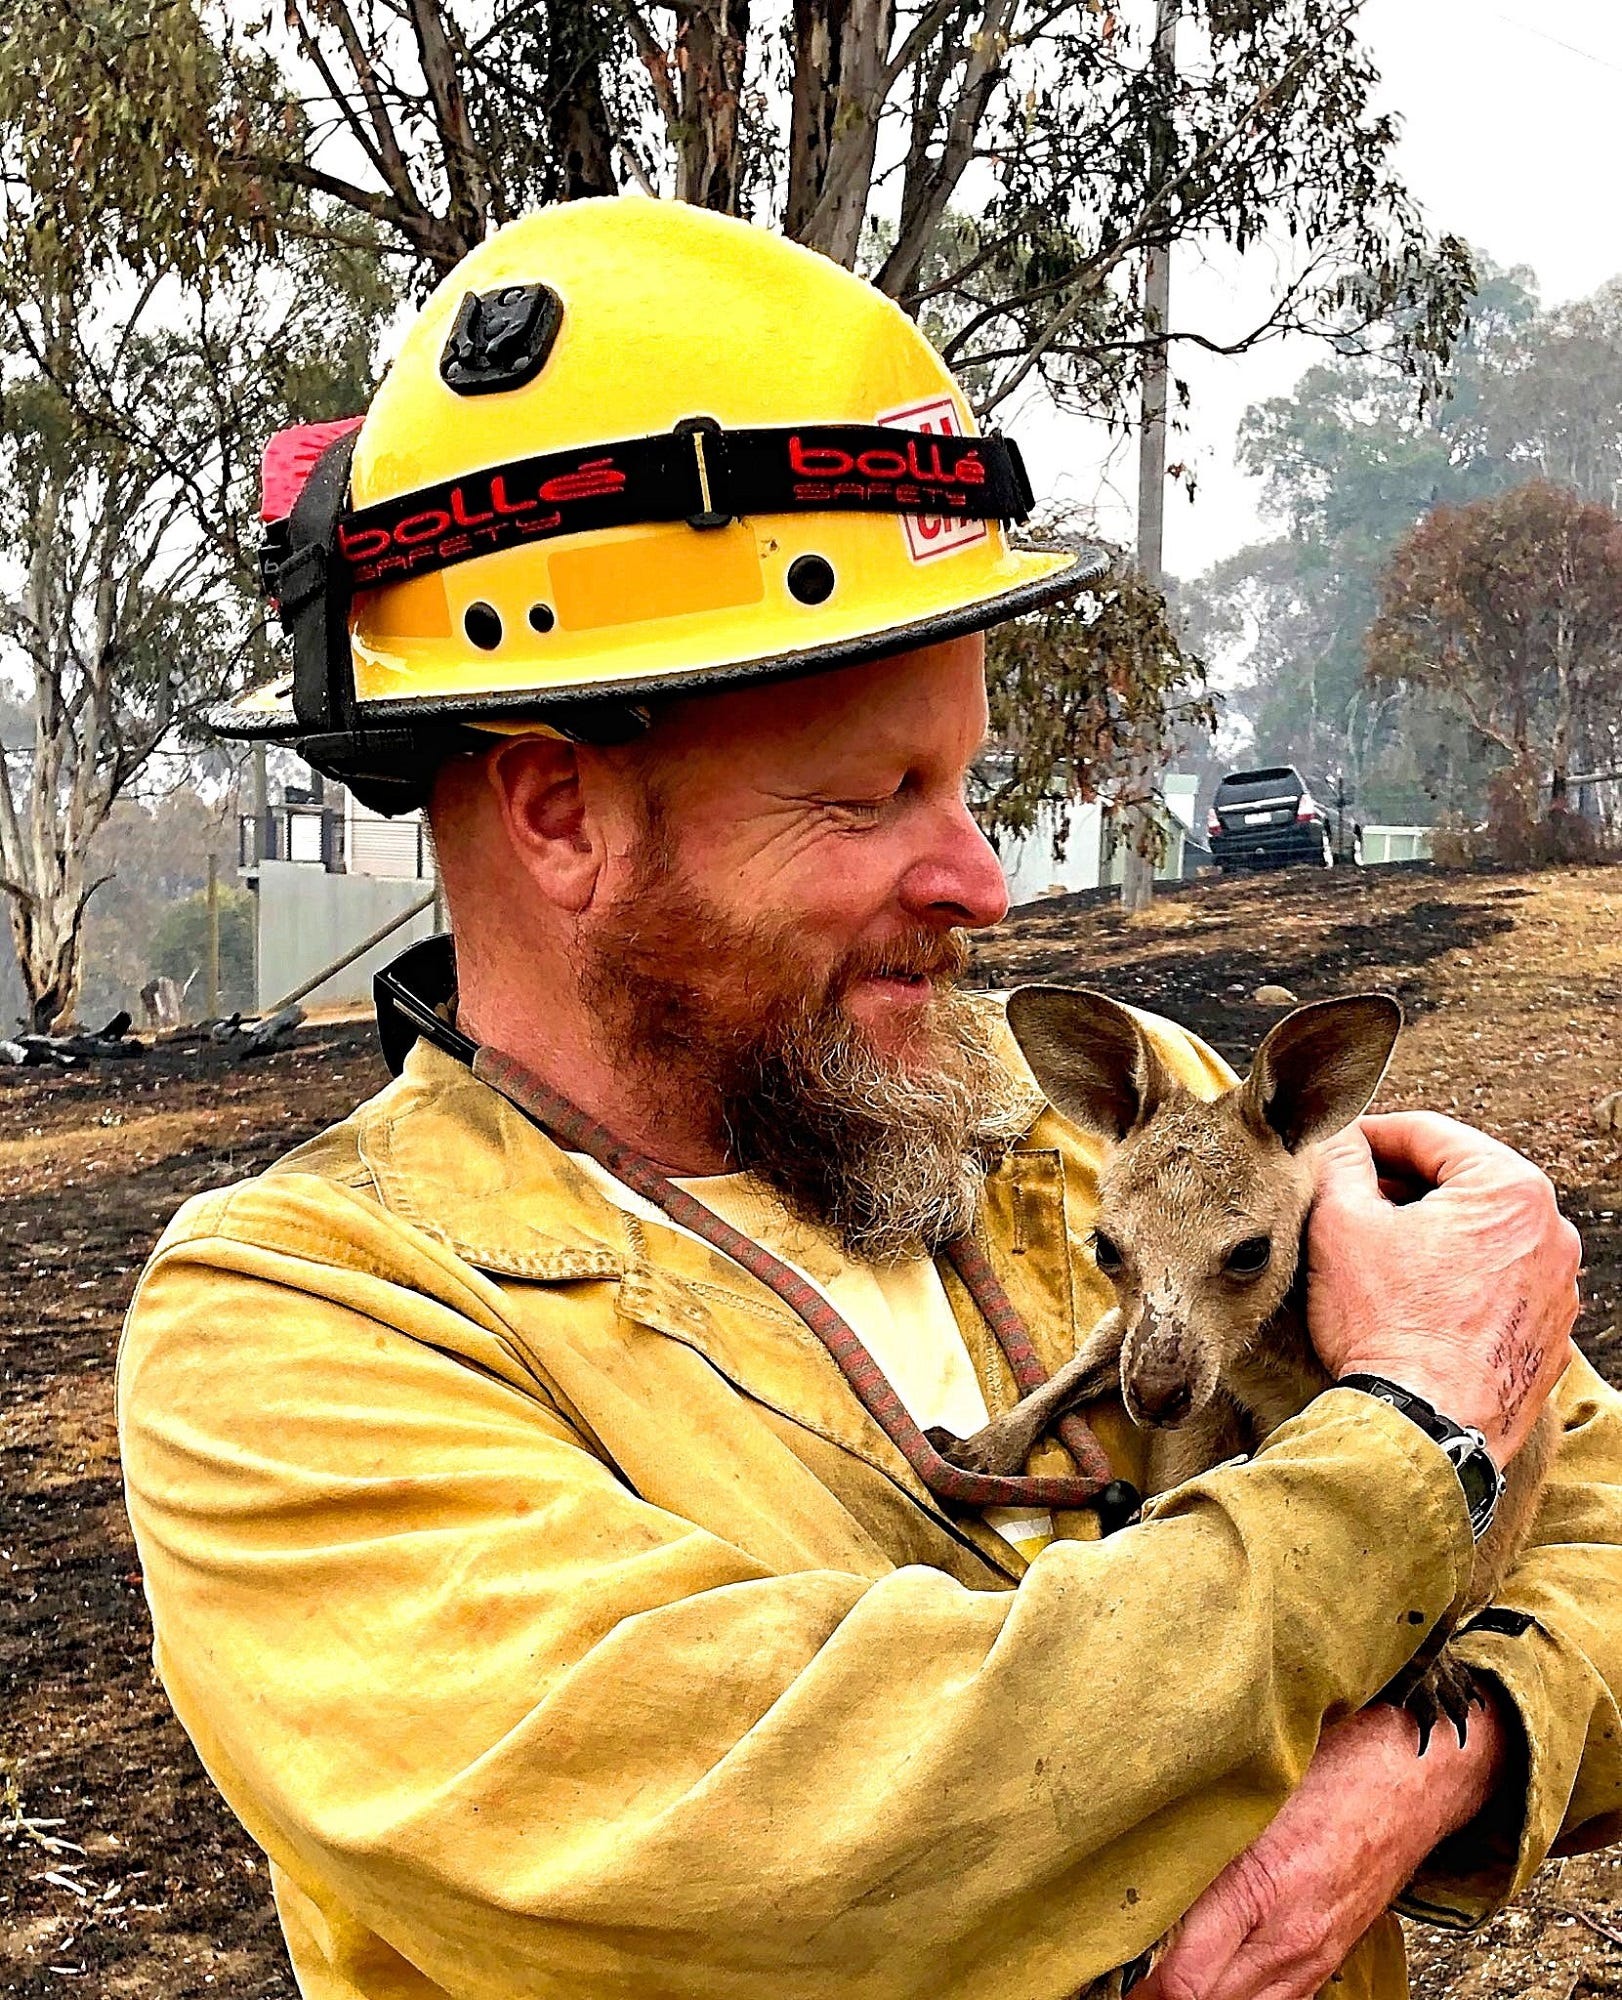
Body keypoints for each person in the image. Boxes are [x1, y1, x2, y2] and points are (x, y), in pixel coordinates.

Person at [118, 199, 1618, 2000]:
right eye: (869, 796)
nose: (979, 880)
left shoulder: (1121, 1126)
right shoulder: (298, 1341)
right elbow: (759, 1847)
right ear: (554, 811)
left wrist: (1415, 1766)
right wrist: (1420, 1447)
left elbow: (1606, 1521)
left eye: (965, 780)